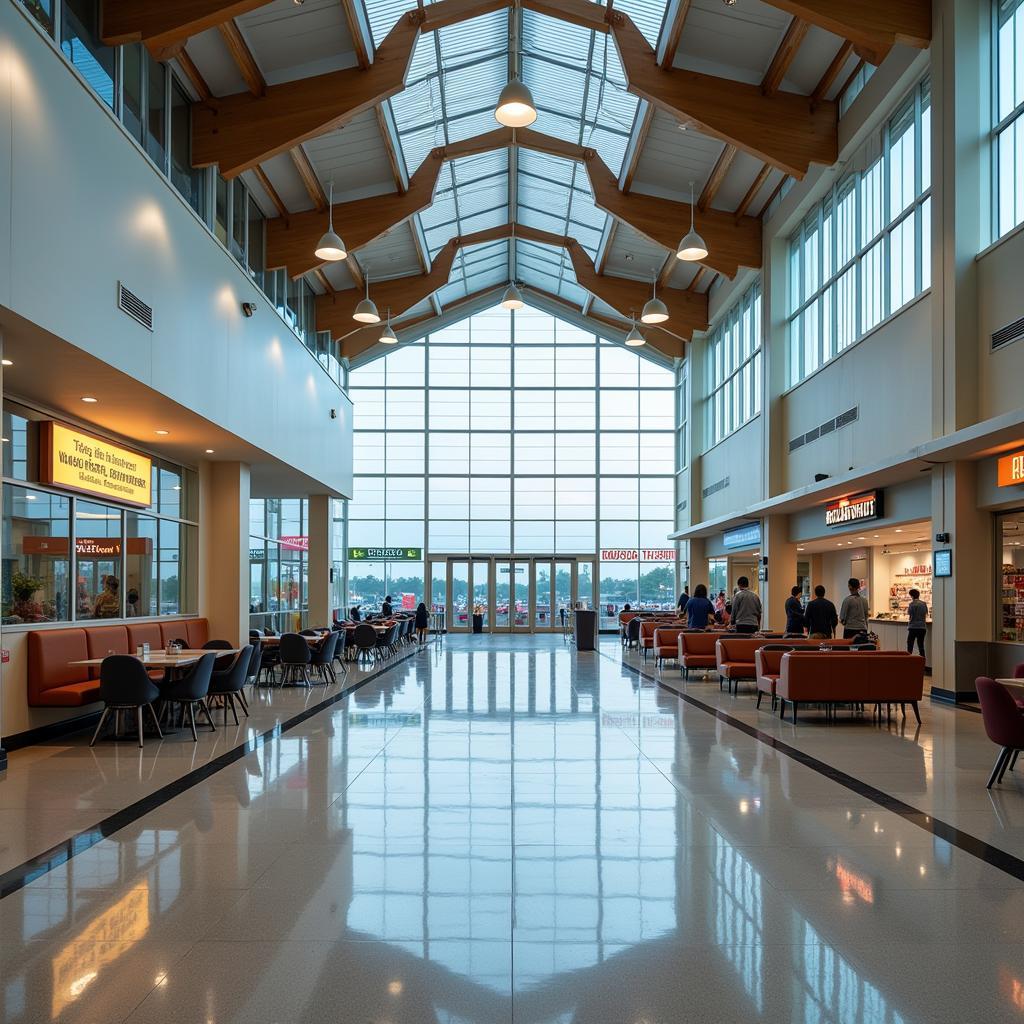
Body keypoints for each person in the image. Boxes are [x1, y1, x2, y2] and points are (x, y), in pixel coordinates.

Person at [906, 588, 928, 656]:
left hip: (913, 627)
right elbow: (926, 613)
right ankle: (922, 661)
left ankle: (909, 661)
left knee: (910, 645)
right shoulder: (924, 604)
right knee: (921, 645)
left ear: (912, 596)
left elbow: (910, 614)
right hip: (922, 627)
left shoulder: (911, 604)